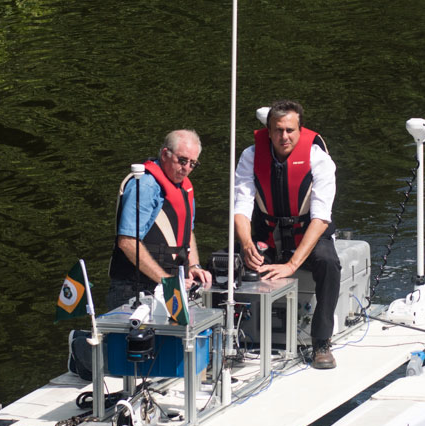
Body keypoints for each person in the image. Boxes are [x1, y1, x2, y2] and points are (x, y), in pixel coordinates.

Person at [232, 100, 340, 369]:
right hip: (267, 236)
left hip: (308, 236)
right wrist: (246, 245)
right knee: (227, 263)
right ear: (268, 131)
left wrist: (292, 264)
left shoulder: (319, 159)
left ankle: (321, 342)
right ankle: (230, 339)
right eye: (278, 130)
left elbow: (320, 218)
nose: (284, 137)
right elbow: (241, 208)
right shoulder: (249, 156)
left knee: (328, 262)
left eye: (290, 130)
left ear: (300, 130)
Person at [109, 129, 214, 309]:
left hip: (171, 286)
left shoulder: (184, 188)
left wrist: (194, 266)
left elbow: (187, 232)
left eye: (192, 164)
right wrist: (166, 280)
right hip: (135, 289)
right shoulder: (145, 185)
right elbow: (127, 241)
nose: (186, 168)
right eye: (182, 161)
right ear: (165, 154)